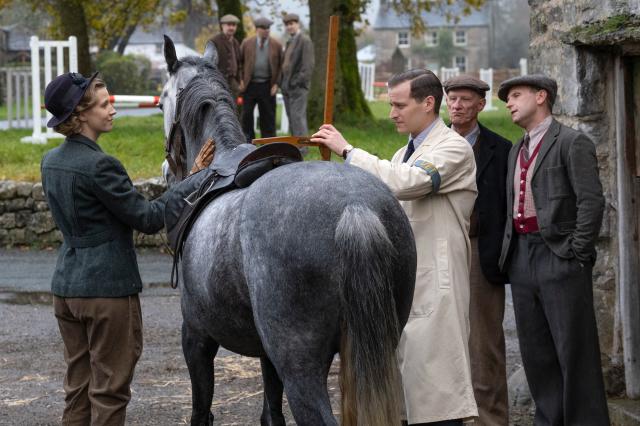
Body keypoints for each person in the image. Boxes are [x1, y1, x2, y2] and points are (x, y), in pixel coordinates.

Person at [40, 72, 211, 425]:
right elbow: (148, 219)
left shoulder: (50, 161)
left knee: (78, 390)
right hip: (107, 292)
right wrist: (193, 177)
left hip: (66, 289)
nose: (113, 110)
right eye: (104, 105)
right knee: (109, 392)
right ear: (79, 115)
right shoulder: (100, 165)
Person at [311, 69, 478, 425]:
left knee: (438, 391)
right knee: (409, 391)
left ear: (428, 103)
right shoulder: (405, 151)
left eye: (400, 105)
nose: (392, 114)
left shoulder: (454, 148)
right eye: (391, 105)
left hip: (438, 282)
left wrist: (348, 151)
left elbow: (409, 182)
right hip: (407, 279)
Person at [497, 74, 610, 425]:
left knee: (574, 352)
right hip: (522, 257)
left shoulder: (572, 142)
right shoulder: (517, 147)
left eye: (516, 95)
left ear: (541, 96)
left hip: (559, 256)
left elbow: (591, 202)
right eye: (507, 99)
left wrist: (577, 253)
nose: (509, 103)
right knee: (536, 353)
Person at [443, 75, 511, 426]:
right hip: (438, 249)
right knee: (437, 336)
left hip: (478, 249)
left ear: (481, 105)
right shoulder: (428, 145)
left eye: (465, 100)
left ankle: (491, 419)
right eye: (452, 99)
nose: (456, 106)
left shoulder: (500, 150)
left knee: (485, 341)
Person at [239, 16, 283, 143]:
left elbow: (281, 66)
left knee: (268, 118)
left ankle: (268, 145)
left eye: (268, 28)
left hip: (267, 86)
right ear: (257, 29)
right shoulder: (247, 43)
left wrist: (276, 84)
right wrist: (241, 80)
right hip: (250, 86)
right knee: (246, 117)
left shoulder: (277, 45)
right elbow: (240, 62)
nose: (267, 30)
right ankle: (248, 144)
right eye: (263, 28)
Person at [281, 13, 314, 137]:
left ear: (297, 24)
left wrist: (296, 82)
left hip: (298, 87)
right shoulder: (290, 41)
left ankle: (302, 149)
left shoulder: (305, 40)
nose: (289, 27)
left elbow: (308, 66)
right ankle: (295, 148)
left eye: (291, 24)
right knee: (292, 118)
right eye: (287, 25)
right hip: (287, 86)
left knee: (298, 118)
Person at [210, 14, 242, 99]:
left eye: (234, 25)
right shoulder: (214, 41)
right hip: (218, 82)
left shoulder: (235, 42)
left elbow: (239, 63)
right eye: (229, 25)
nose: (231, 28)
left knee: (233, 109)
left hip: (233, 82)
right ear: (222, 26)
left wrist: (239, 81)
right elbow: (208, 64)